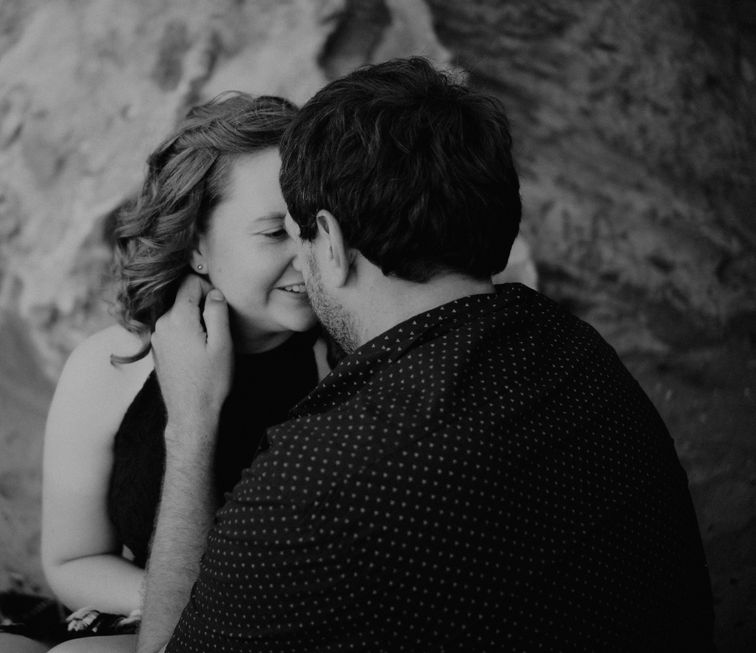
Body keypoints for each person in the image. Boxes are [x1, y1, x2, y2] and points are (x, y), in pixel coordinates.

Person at [136, 57, 715, 652]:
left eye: (298, 229)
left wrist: (190, 429)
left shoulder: (316, 482)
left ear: (329, 241)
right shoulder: (575, 349)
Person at [0, 93, 329, 653]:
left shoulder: (343, 368)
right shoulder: (110, 368)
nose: (309, 254)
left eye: (313, 226)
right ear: (196, 244)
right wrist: (163, 597)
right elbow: (74, 560)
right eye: (273, 233)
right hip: (139, 610)